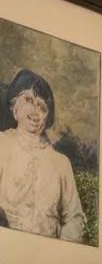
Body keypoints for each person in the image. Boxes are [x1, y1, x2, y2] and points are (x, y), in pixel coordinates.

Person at [0, 69, 86, 241]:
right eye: (29, 100)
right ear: (14, 107)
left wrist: (56, 249)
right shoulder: (3, 144)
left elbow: (75, 218)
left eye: (42, 107)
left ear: (47, 117)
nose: (35, 111)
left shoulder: (61, 163)